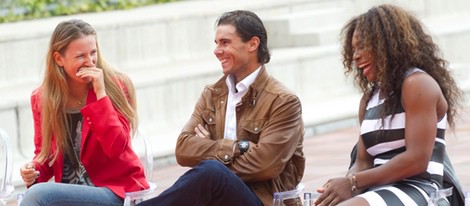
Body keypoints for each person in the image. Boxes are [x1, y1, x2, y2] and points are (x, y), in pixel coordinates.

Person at [137, 10, 305, 206]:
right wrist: (237, 147)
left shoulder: (283, 101)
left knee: (211, 172)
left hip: (264, 201)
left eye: (225, 42)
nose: (217, 50)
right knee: (210, 175)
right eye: (216, 43)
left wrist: (212, 154)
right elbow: (183, 149)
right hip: (217, 198)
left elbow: (264, 165)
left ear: (252, 44)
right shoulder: (212, 94)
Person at [314, 4, 463, 206]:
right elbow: (363, 161)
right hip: (377, 188)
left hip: (420, 188)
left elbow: (417, 160)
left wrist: (353, 182)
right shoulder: (369, 98)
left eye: (362, 46)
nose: (355, 56)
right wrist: (345, 188)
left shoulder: (417, 84)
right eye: (353, 49)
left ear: (388, 45)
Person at [19, 19, 149, 206]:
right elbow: (46, 156)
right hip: (69, 193)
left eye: (93, 53)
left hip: (115, 191)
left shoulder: (117, 86)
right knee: (37, 193)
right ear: (59, 59)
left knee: (38, 195)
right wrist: (33, 170)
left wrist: (100, 94)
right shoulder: (42, 98)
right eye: (80, 56)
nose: (90, 62)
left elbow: (117, 148)